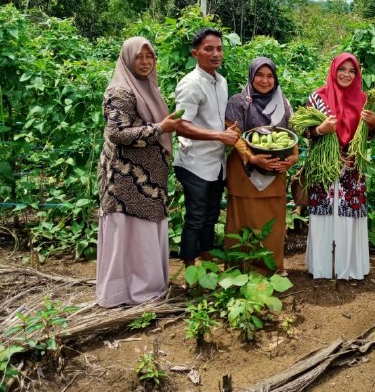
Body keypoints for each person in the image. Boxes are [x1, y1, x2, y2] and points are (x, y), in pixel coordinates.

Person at [97, 36, 181, 307]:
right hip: (126, 178)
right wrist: (160, 129)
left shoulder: (147, 87)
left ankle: (145, 287)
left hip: (147, 178)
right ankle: (125, 291)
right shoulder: (120, 91)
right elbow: (117, 133)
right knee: (130, 231)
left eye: (150, 57)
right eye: (139, 57)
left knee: (143, 232)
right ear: (127, 59)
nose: (145, 63)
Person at [305, 53, 375, 280]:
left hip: (351, 166)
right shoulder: (317, 97)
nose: (346, 75)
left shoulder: (363, 99)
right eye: (342, 69)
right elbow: (304, 130)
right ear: (333, 70)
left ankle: (349, 268)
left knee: (349, 215)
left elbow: (368, 136)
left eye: (352, 71)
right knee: (323, 213)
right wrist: (320, 130)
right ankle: (322, 267)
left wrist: (373, 125)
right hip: (324, 165)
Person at [174, 28, 241, 268]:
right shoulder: (191, 84)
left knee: (211, 215)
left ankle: (207, 258)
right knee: (196, 217)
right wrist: (219, 135)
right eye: (208, 49)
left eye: (219, 48)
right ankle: (190, 268)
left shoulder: (220, 81)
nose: (216, 54)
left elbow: (217, 117)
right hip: (195, 163)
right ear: (195, 53)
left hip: (216, 162)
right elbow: (180, 125)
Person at [224, 57, 298, 273]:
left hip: (275, 170)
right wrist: (252, 157)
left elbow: (290, 134)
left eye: (270, 76)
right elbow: (234, 135)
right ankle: (239, 270)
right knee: (243, 219)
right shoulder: (238, 102)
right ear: (251, 76)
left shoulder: (282, 103)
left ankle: (270, 270)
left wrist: (294, 157)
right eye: (259, 75)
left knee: (272, 223)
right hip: (244, 171)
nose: (265, 81)